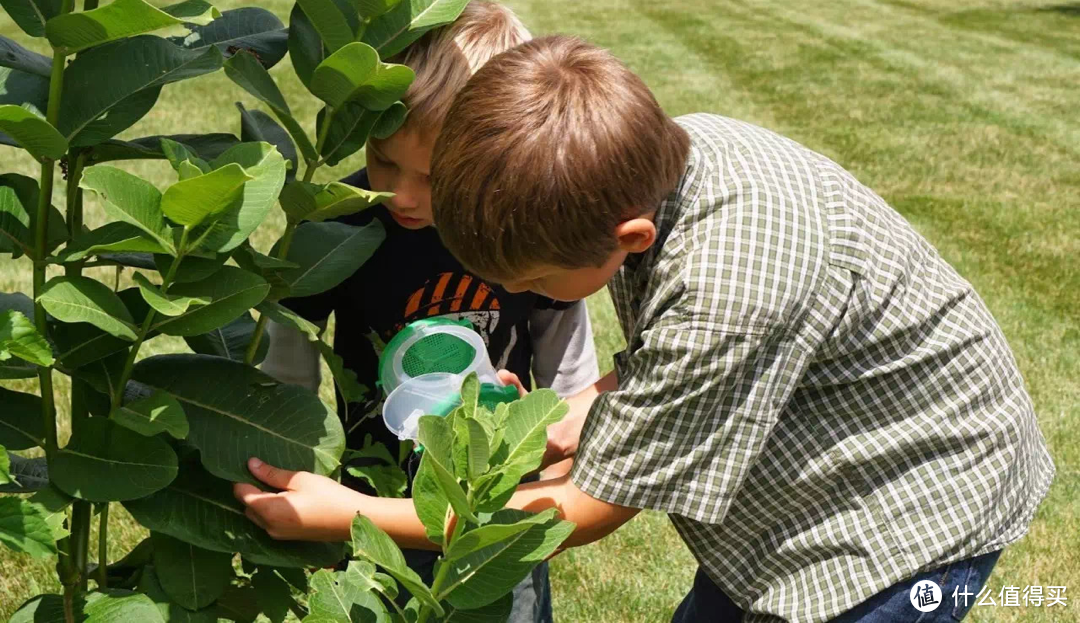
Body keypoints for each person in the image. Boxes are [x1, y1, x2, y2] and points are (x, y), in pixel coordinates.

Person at [238, 36, 1054, 622]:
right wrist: (570, 413)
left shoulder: (728, 295)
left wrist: (350, 514)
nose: (518, 295)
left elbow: (584, 513)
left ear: (628, 240)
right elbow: (671, 359)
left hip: (903, 520)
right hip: (820, 444)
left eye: (531, 286)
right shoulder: (664, 156)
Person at [257, 12, 599, 623]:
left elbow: (568, 356)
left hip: (492, 503)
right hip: (367, 495)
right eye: (384, 162)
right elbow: (289, 360)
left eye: (435, 178)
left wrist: (556, 464)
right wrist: (296, 470)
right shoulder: (337, 227)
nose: (402, 196)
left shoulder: (520, 229)